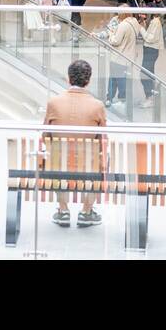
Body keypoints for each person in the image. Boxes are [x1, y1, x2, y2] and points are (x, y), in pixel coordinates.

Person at [43, 60, 107, 228]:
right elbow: (103, 141)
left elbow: (45, 135)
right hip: (88, 167)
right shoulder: (97, 106)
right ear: (88, 80)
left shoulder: (53, 103)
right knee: (100, 160)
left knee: (57, 158)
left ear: (68, 79)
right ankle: (86, 211)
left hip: (58, 166)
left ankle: (63, 210)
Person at [102, 5, 141, 108]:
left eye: (119, 13)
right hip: (129, 56)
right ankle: (111, 98)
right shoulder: (135, 22)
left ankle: (119, 99)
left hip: (119, 57)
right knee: (119, 78)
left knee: (116, 79)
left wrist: (110, 34)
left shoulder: (123, 25)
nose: (117, 16)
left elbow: (115, 41)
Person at [138, 7, 163, 108]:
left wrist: (141, 28)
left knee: (144, 74)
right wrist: (143, 24)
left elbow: (150, 38)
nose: (141, 15)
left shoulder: (155, 22)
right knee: (149, 74)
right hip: (148, 49)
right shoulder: (150, 21)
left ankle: (150, 98)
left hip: (152, 50)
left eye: (143, 13)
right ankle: (150, 97)